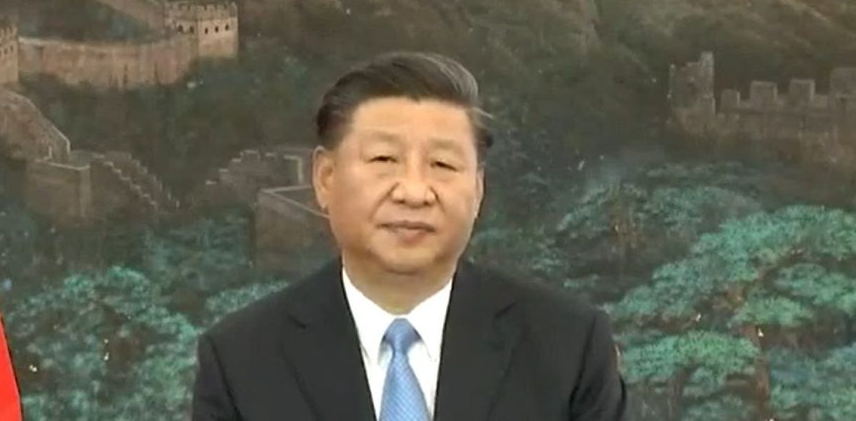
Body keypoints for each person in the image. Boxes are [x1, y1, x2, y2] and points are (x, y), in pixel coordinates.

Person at [190, 51, 628, 420]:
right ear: (325, 177)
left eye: (442, 164)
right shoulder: (240, 360)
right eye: (384, 159)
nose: (414, 192)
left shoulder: (568, 347)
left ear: (478, 189)